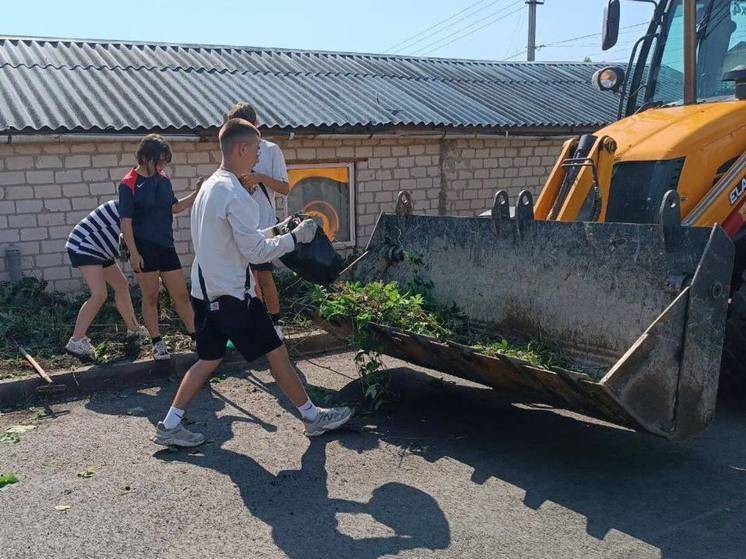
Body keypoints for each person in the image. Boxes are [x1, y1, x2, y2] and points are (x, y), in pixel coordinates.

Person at [152, 118, 352, 447]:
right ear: (242, 148)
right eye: (257, 150)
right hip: (233, 297)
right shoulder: (236, 194)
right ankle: (313, 417)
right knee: (276, 352)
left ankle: (170, 424)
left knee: (208, 359)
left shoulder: (209, 189)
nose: (258, 157)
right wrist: (296, 239)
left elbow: (239, 239)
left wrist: (281, 229)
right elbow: (255, 252)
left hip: (205, 292)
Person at [118, 134, 200, 361]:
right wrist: (133, 253)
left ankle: (196, 337)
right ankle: (157, 342)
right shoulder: (128, 184)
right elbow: (126, 222)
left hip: (166, 245)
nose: (162, 166)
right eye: (159, 161)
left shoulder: (163, 179)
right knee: (151, 297)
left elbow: (174, 208)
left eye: (165, 162)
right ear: (146, 157)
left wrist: (196, 193)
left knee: (181, 295)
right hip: (143, 248)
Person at [224, 102, 290, 338]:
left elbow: (285, 188)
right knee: (244, 278)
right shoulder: (232, 151)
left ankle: (275, 323)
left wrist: (259, 177)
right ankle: (256, 321)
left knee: (263, 275)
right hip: (238, 223)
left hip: (262, 225)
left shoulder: (271, 150)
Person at [65, 200, 144, 360]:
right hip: (85, 246)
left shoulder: (133, 208)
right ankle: (76, 341)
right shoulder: (129, 208)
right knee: (99, 294)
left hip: (100, 249)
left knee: (121, 285)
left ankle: (133, 329)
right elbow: (129, 243)